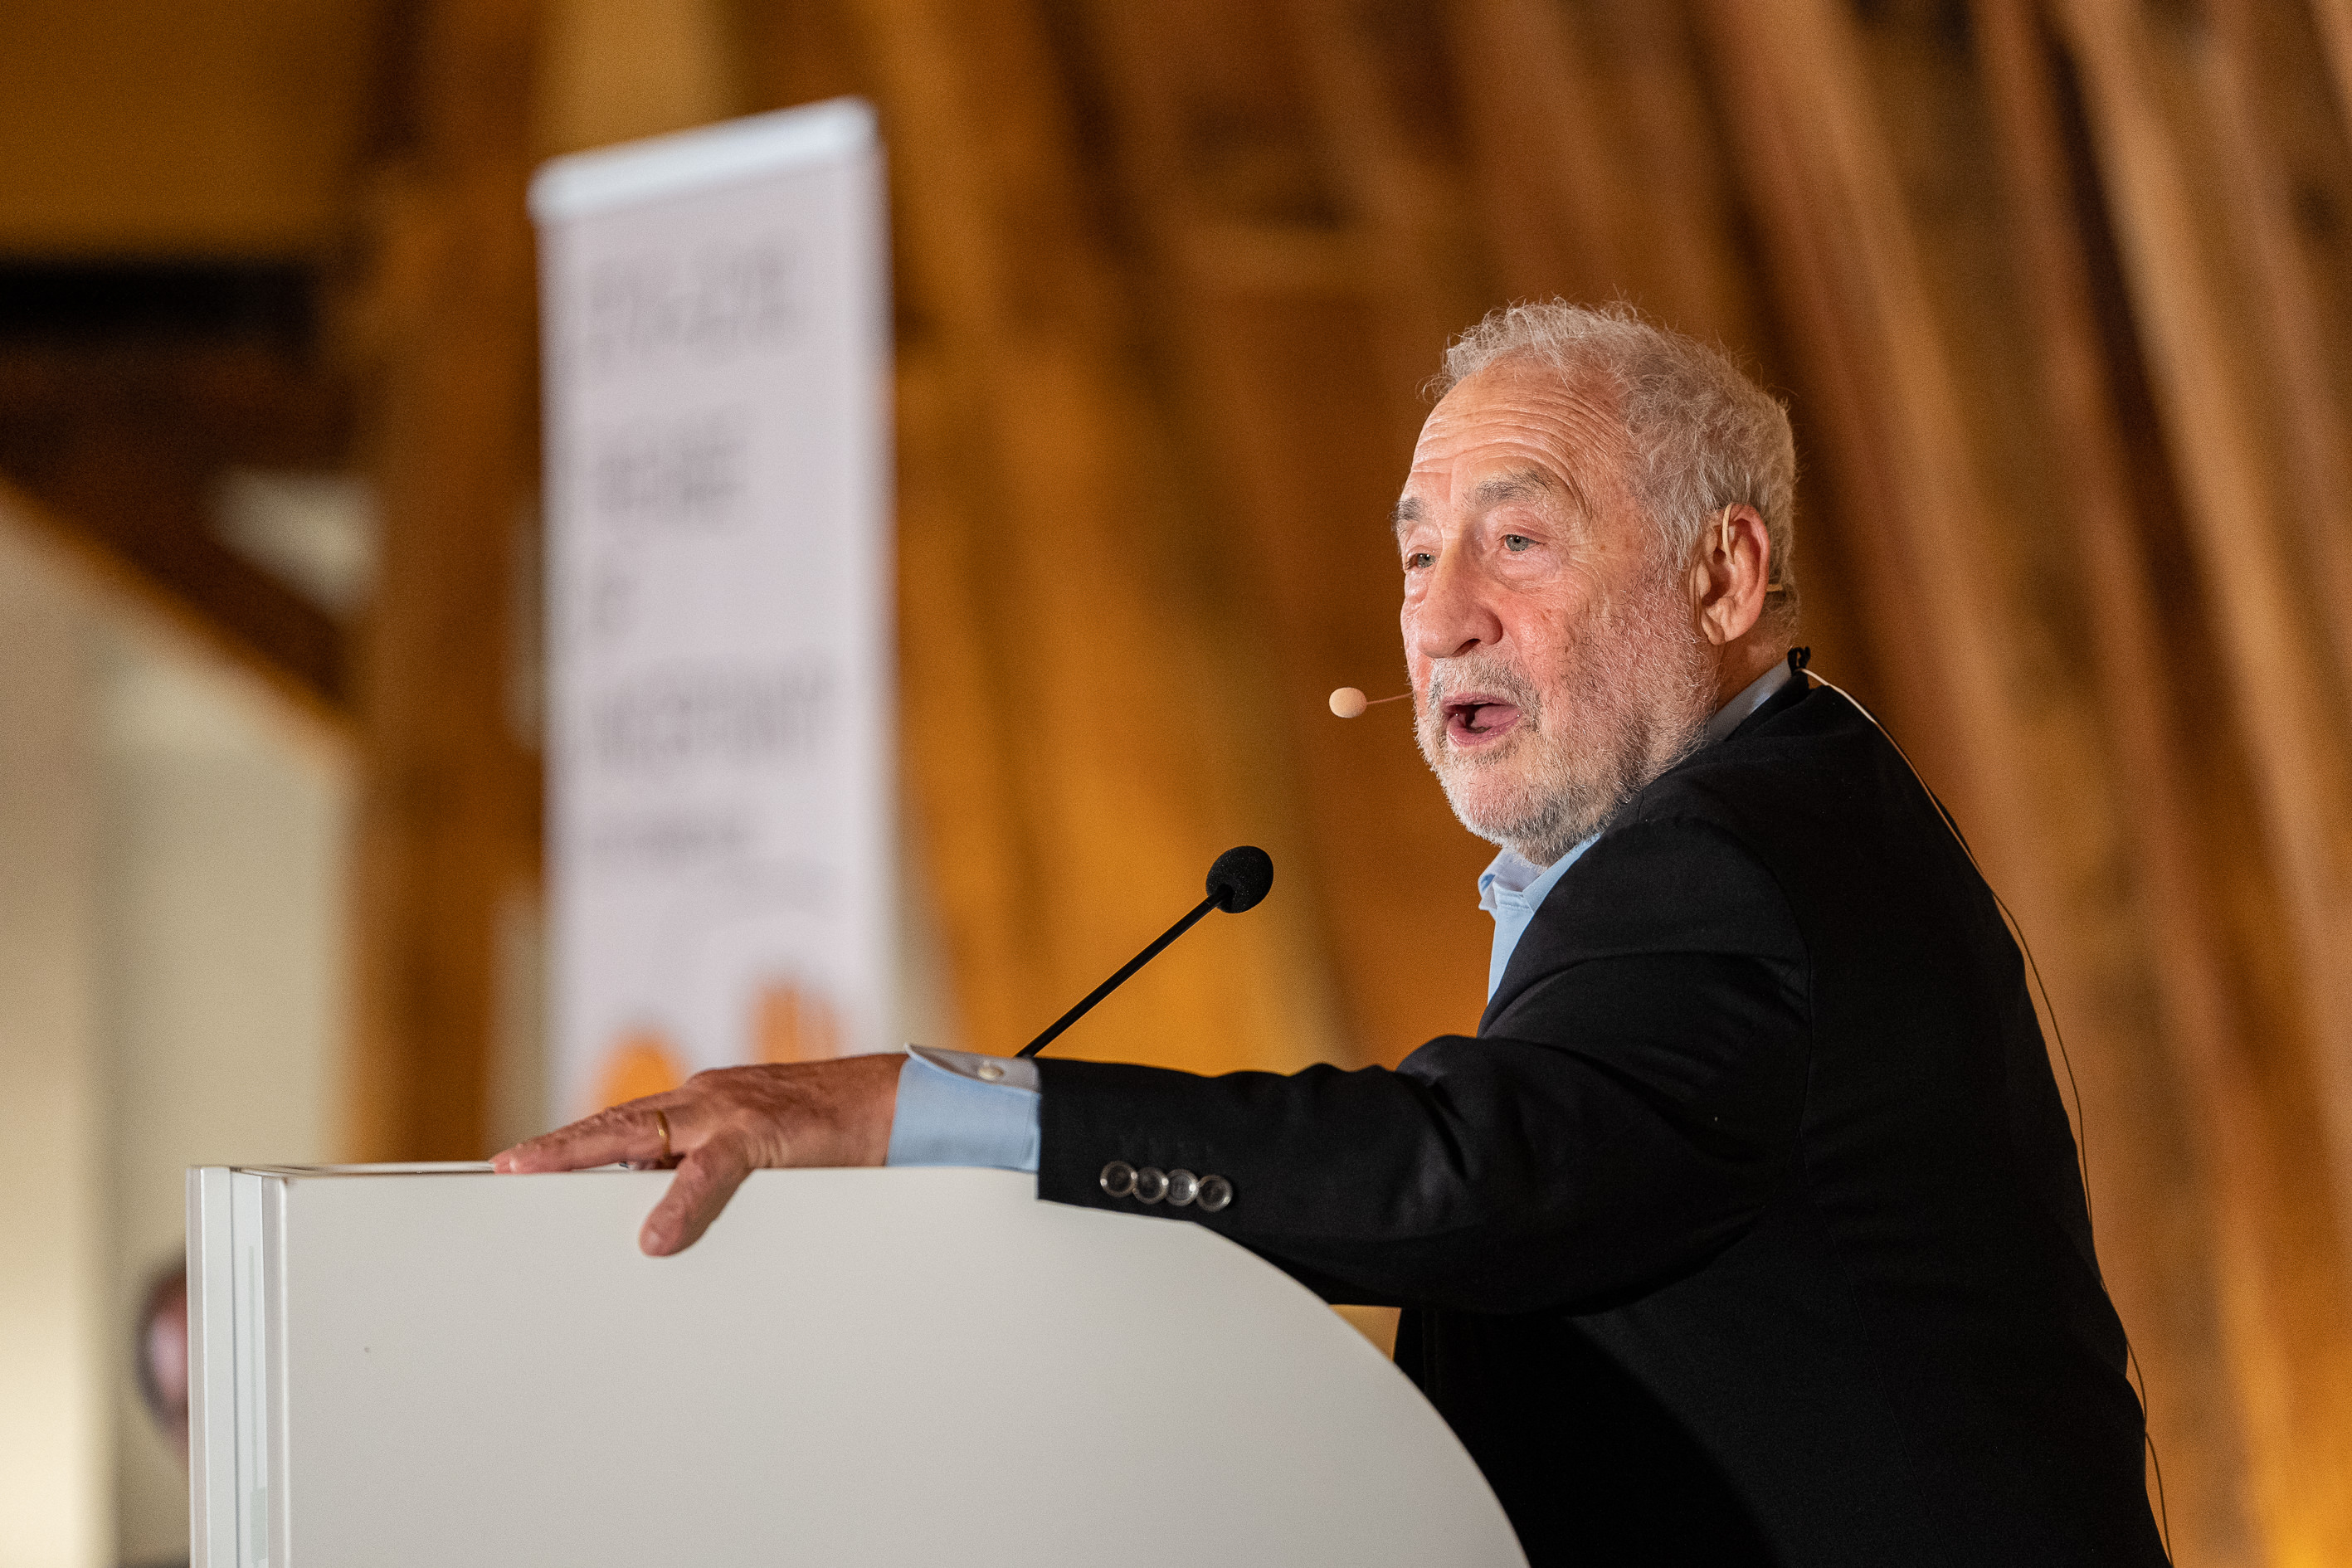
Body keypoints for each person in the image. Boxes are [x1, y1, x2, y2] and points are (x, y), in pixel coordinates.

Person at [499, 302, 2169, 1566]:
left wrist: (894, 1111)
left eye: (1517, 541)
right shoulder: (1777, 815)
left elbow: (1470, 1173)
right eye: (1416, 552)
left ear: (1722, 578)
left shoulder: (1736, 861)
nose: (1442, 613)